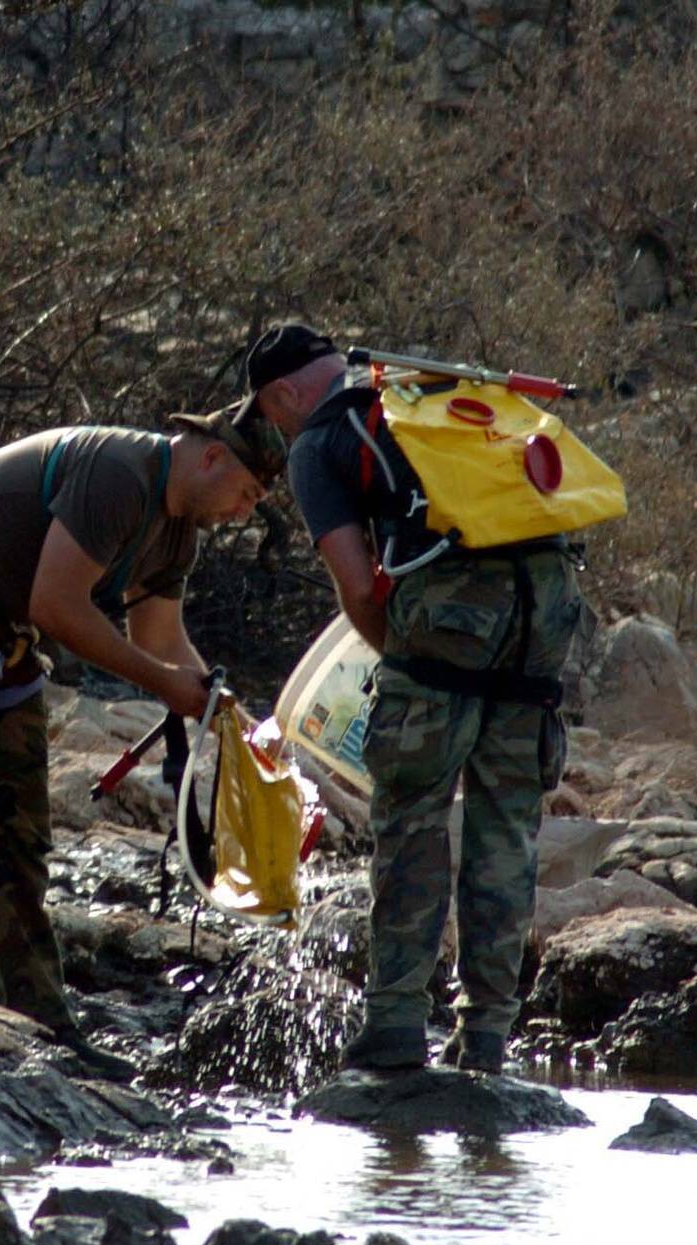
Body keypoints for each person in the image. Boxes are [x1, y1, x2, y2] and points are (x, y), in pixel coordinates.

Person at [0, 401, 285, 1080]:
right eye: (246, 494)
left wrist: (236, 720)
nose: (243, 512)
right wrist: (166, 685)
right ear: (211, 456)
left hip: (3, 627)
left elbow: (162, 640)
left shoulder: (179, 534)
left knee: (21, 833)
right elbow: (55, 605)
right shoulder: (120, 473)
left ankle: (40, 1027)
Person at [246, 325, 582, 1075]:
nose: (279, 430)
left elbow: (360, 586)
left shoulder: (320, 440)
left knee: (412, 816)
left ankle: (397, 1022)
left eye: (273, 416)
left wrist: (403, 665)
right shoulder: (428, 391)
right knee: (506, 827)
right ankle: (487, 1034)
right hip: (549, 609)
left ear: (283, 394)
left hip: (448, 623)